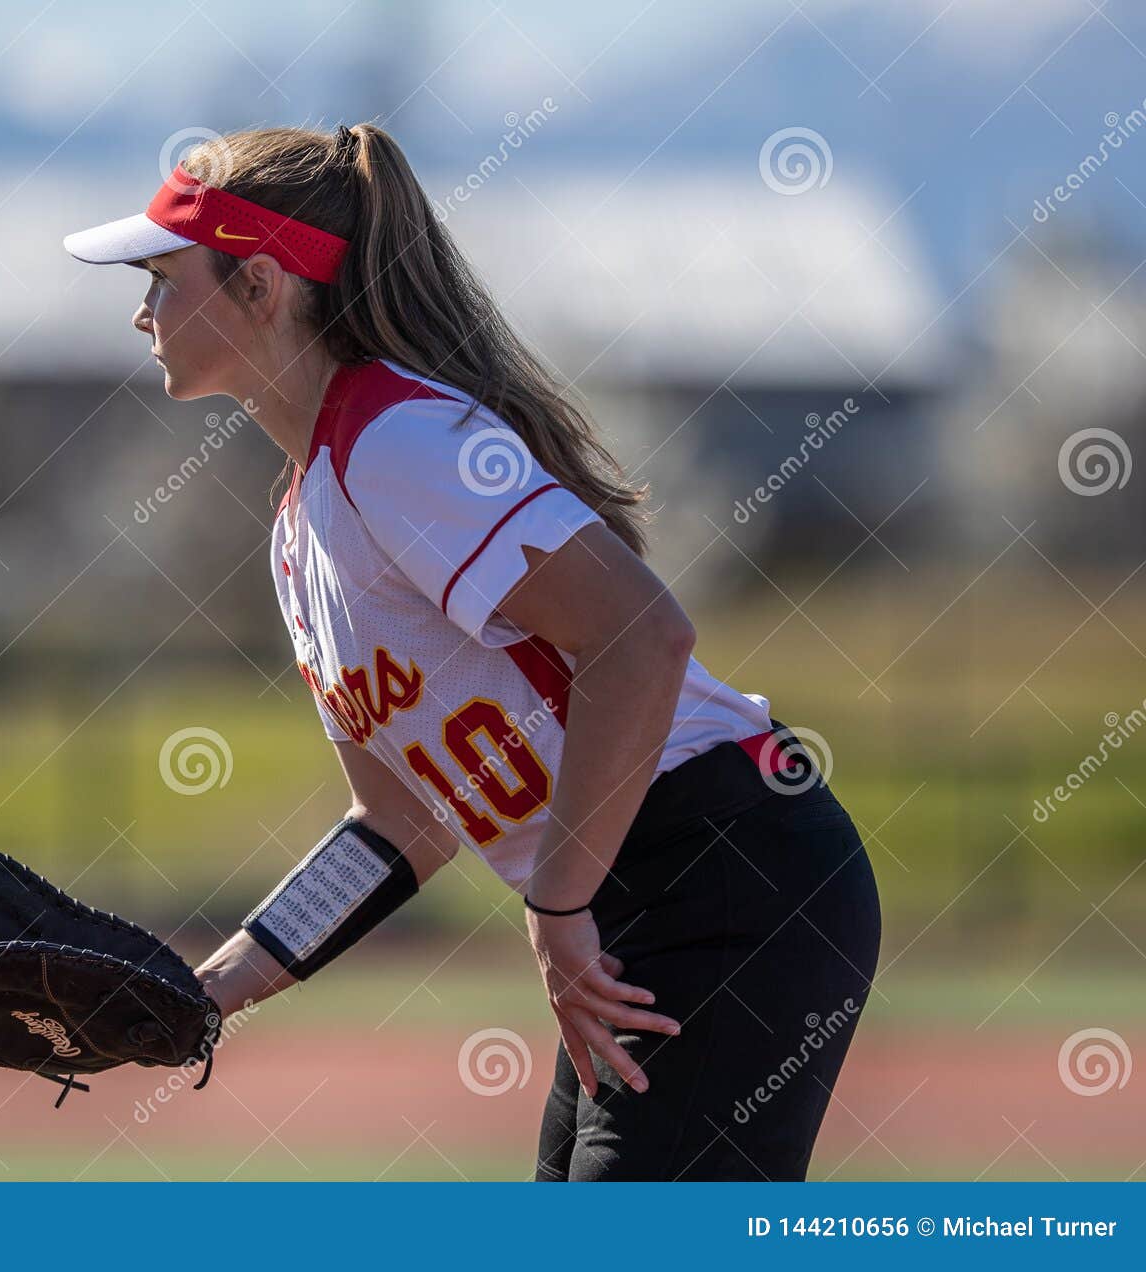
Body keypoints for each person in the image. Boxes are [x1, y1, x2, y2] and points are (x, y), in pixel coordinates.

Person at [62, 122, 882, 1181]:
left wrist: (558, 906)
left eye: (164, 278)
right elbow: (397, 826)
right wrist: (203, 988)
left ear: (261, 287)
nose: (142, 312)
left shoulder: (394, 440)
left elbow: (640, 638)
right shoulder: (303, 520)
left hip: (724, 866)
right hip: (640, 890)